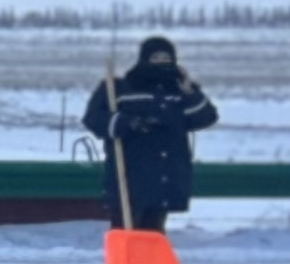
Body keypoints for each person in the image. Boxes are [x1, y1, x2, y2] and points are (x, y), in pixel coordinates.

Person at [84, 36, 217, 226]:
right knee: (125, 228)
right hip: (129, 174)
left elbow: (205, 117)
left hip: (164, 174)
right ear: (144, 59)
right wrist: (127, 123)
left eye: (166, 59)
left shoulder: (178, 91)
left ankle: (150, 255)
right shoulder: (120, 88)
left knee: (153, 232)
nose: (162, 63)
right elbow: (94, 119)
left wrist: (189, 93)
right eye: (156, 58)